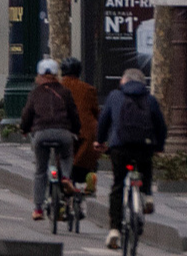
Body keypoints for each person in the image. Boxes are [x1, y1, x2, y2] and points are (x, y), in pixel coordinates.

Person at [98, 65, 167, 249]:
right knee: (145, 165)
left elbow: (103, 122)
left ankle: (114, 230)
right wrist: (158, 147)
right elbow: (161, 126)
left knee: (118, 186)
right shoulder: (150, 99)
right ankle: (148, 195)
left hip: (120, 148)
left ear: (124, 81)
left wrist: (99, 141)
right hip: (144, 146)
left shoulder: (114, 96)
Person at [21, 59, 85, 221]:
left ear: (40, 75)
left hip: (41, 134)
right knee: (65, 155)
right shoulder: (64, 91)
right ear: (56, 75)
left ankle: (38, 209)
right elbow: (74, 115)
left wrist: (24, 129)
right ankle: (65, 177)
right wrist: (76, 131)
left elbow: (27, 115)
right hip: (63, 133)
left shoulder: (35, 93)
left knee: (40, 171)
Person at [62, 58, 103, 192]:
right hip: (86, 131)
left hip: (64, 129)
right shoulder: (88, 89)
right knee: (87, 156)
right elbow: (96, 112)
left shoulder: (57, 88)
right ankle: (89, 176)